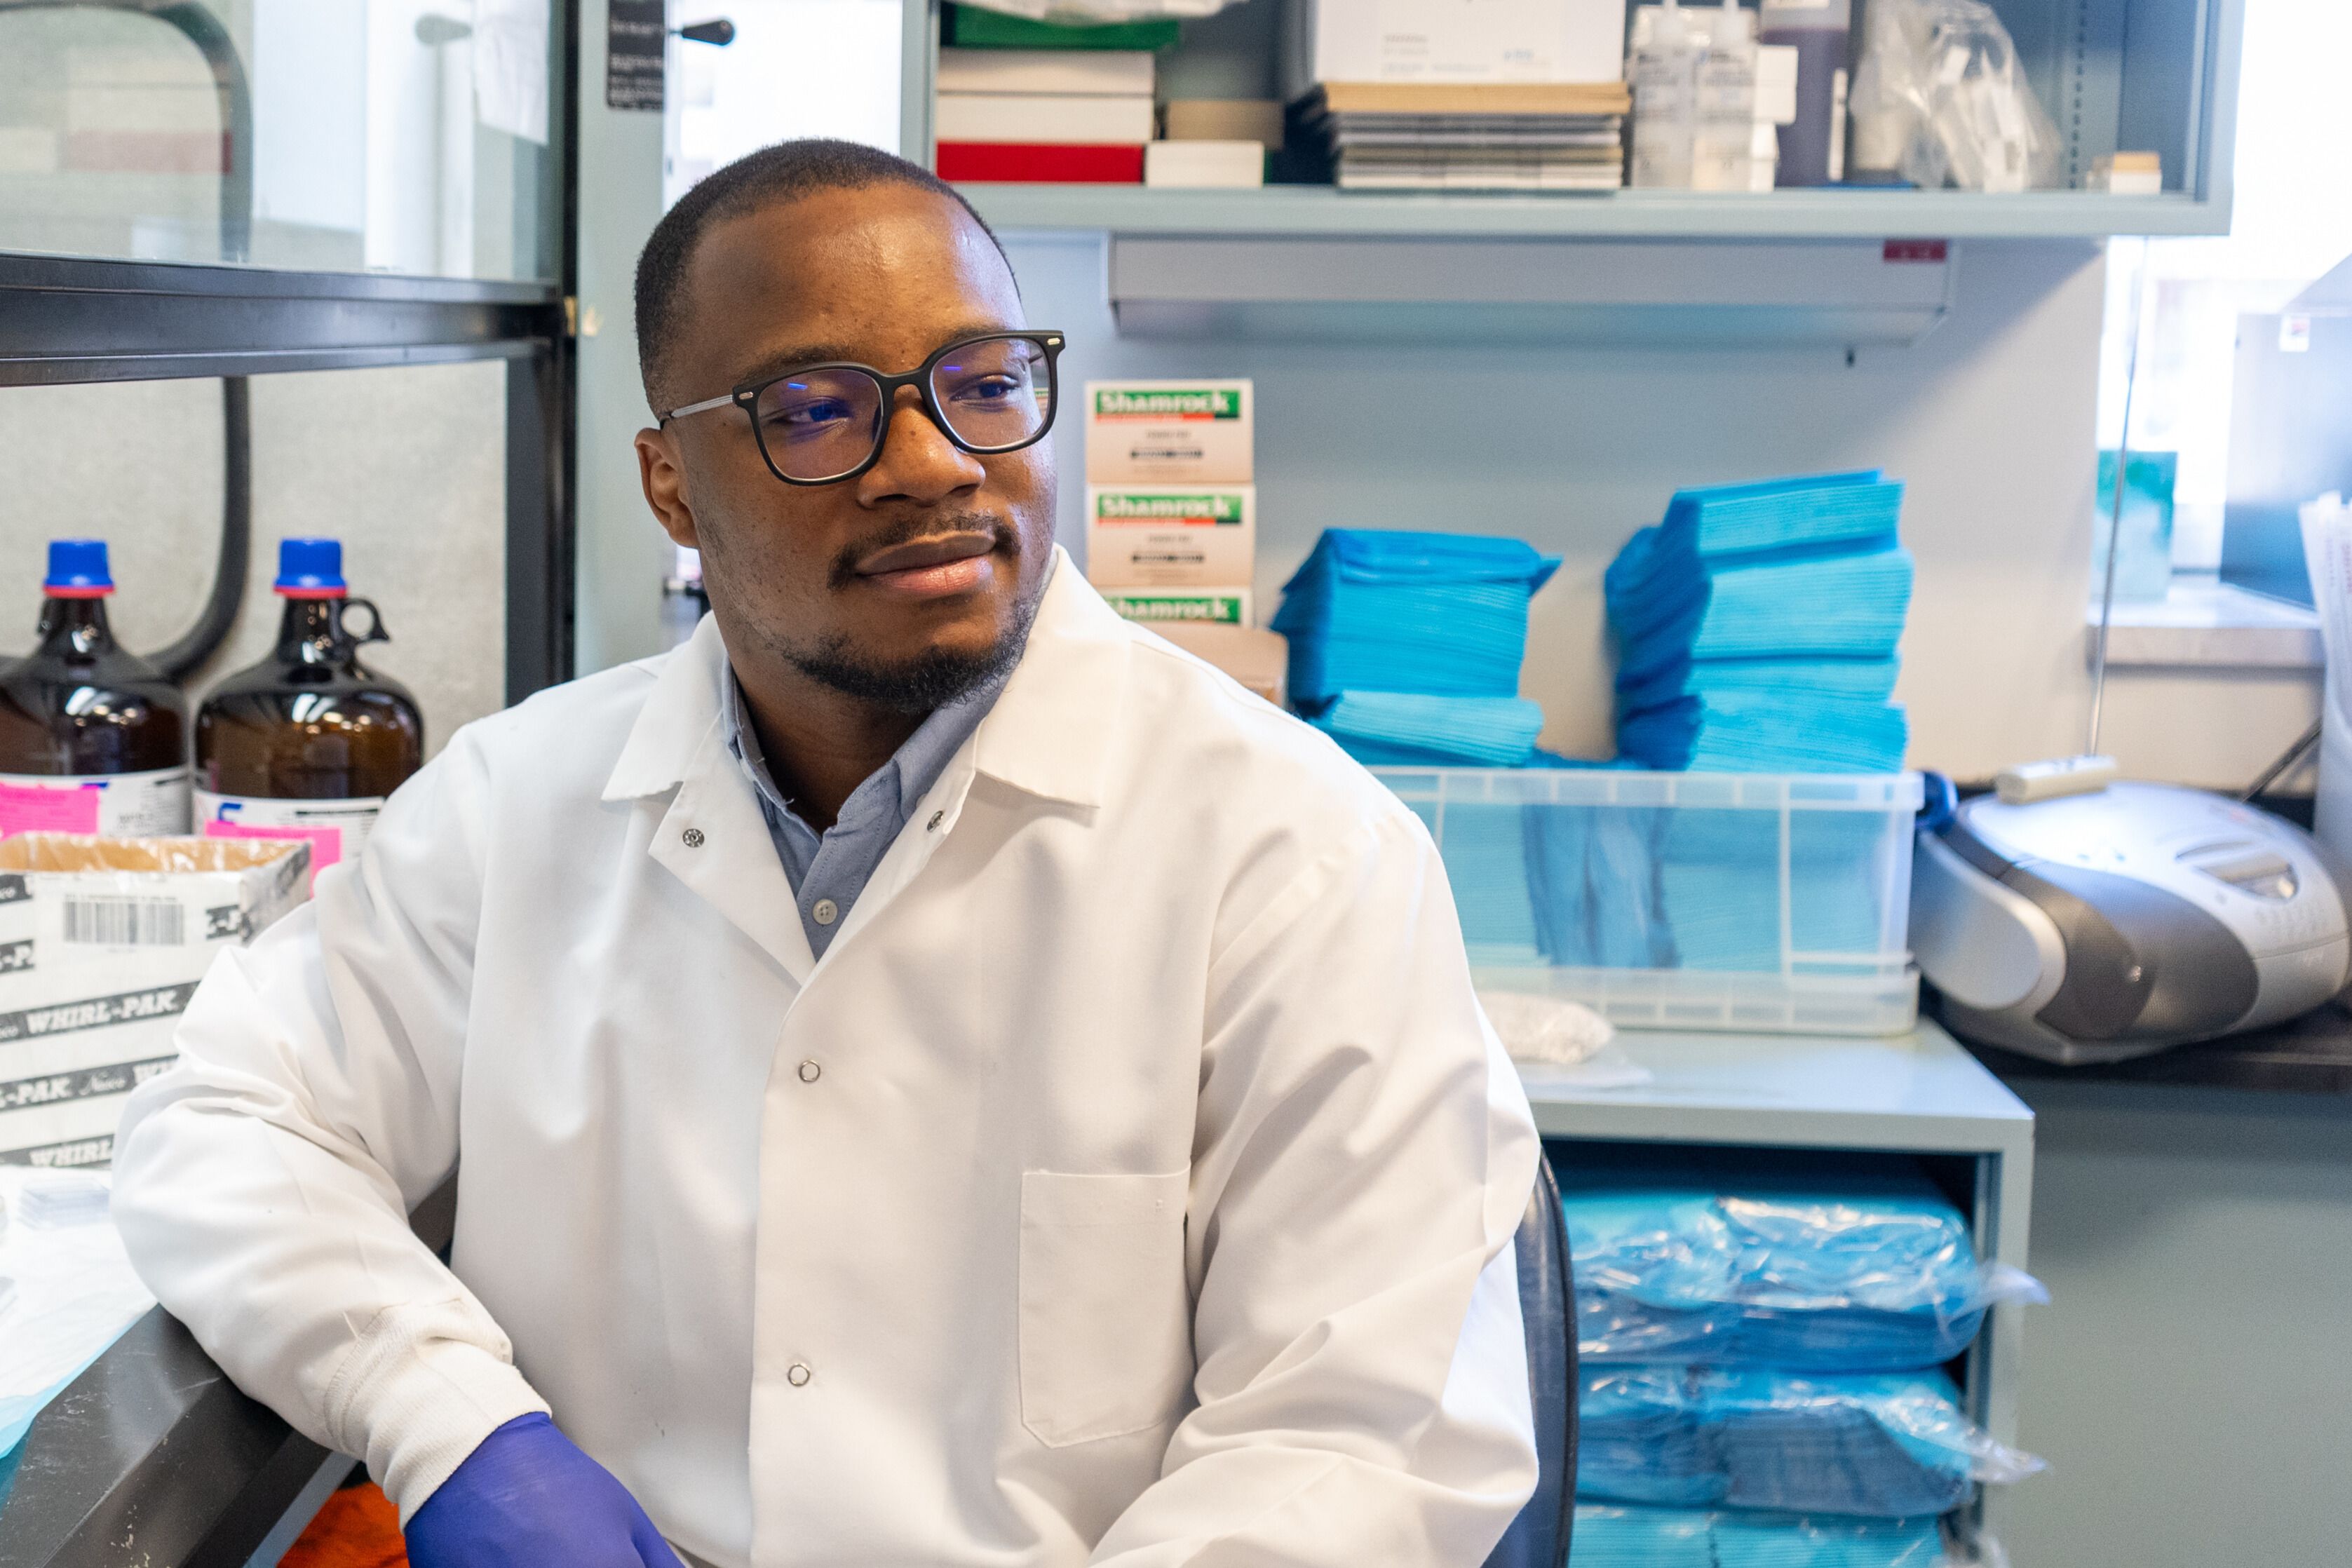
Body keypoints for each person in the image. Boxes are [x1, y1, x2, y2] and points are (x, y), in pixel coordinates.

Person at [111, 140, 1541, 1568]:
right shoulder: (518, 804)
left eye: (986, 384)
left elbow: (1353, 1443)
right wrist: (454, 1420)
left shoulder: (1292, 852)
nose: (931, 464)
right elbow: (232, 1123)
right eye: (815, 410)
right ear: (672, 487)